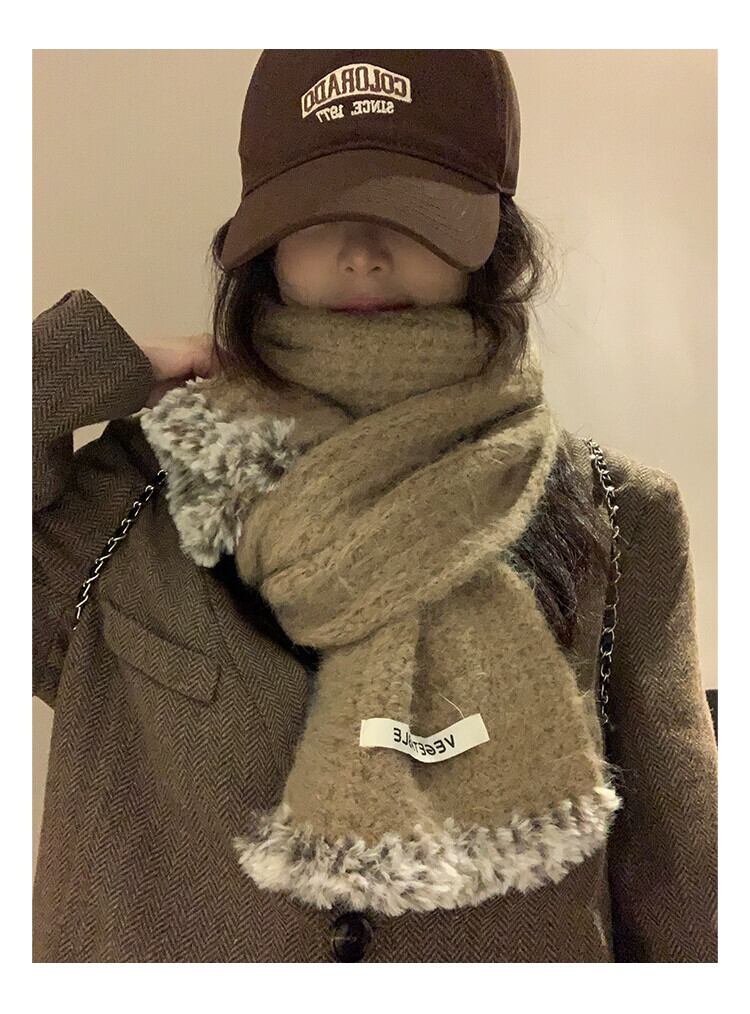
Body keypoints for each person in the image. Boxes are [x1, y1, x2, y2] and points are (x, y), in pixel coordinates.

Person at [32, 49, 717, 963]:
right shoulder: (130, 493)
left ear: (493, 242)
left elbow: (689, 891)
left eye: (412, 214)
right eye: (313, 217)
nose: (361, 252)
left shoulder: (623, 518)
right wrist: (88, 366)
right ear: (264, 246)